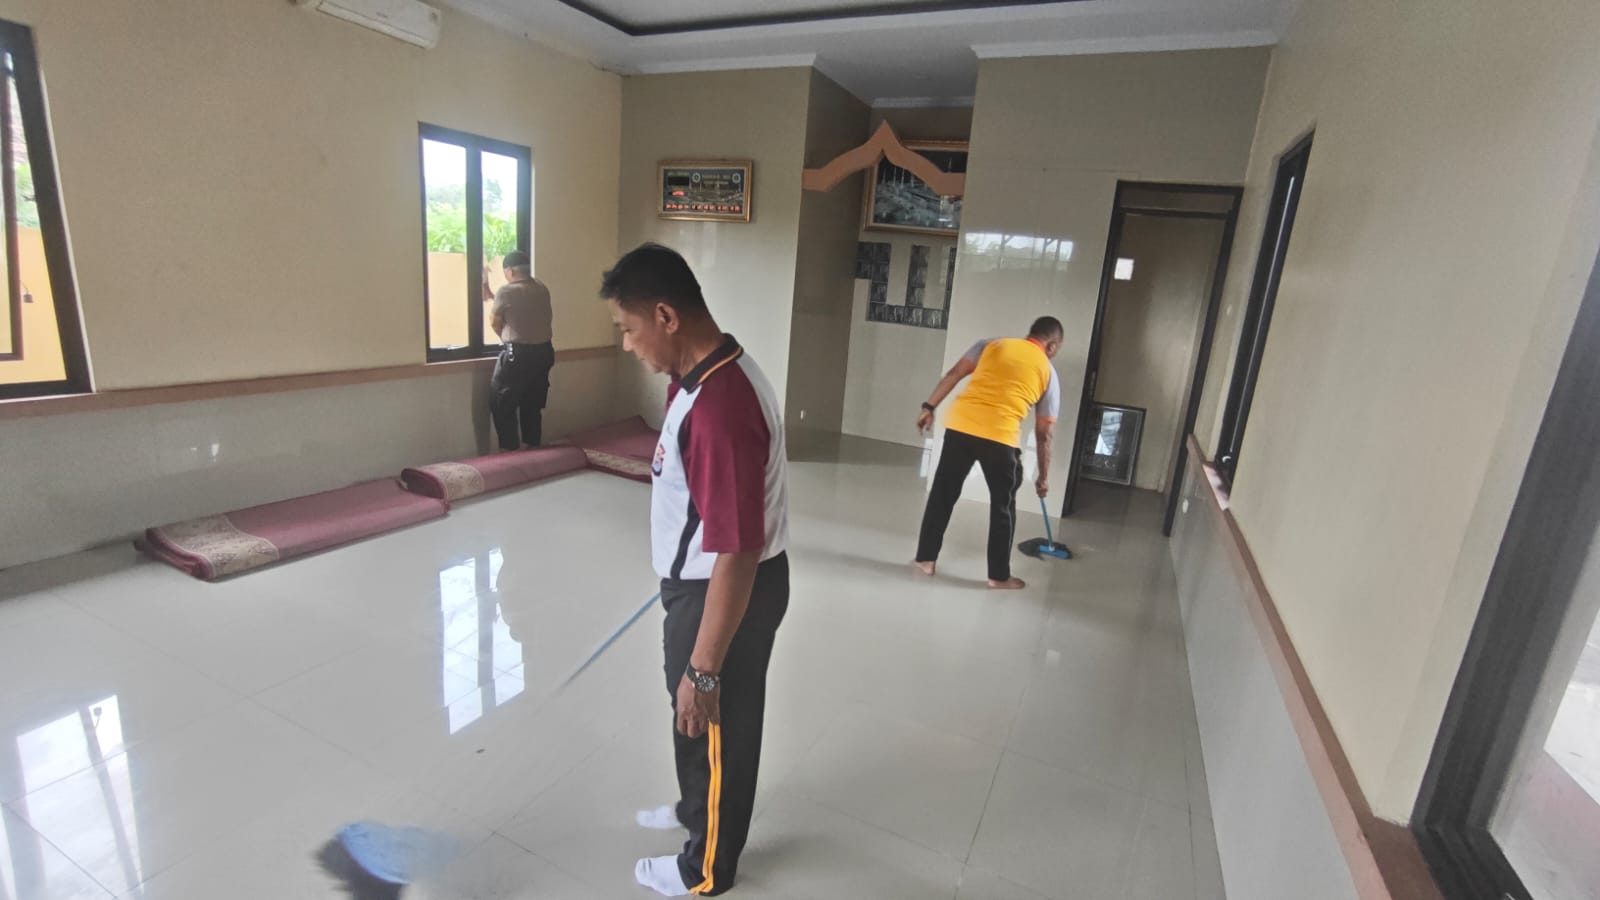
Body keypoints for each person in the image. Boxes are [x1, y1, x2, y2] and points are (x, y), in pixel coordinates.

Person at [602, 243, 790, 898]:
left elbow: (737, 549)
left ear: (666, 316)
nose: (627, 344)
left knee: (709, 717)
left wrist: (705, 666)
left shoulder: (720, 409)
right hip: (702, 584)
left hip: (724, 591)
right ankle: (694, 812)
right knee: (695, 720)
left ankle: (704, 868)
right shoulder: (701, 378)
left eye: (629, 329)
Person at [913, 317, 1063, 590]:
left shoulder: (991, 345)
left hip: (961, 426)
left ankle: (925, 560)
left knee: (942, 494)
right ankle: (998, 576)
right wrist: (1043, 477)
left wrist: (929, 406)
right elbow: (1044, 435)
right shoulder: (1049, 374)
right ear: (1051, 346)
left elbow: (954, 374)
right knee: (1003, 507)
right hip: (1000, 437)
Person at [487, 250, 554, 450]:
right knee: (531, 405)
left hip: (518, 355)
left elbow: (495, 321)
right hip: (544, 352)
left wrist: (503, 337)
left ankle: (510, 452)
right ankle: (532, 449)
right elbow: (521, 309)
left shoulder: (507, 291)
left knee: (502, 402)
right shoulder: (542, 288)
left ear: (510, 271)